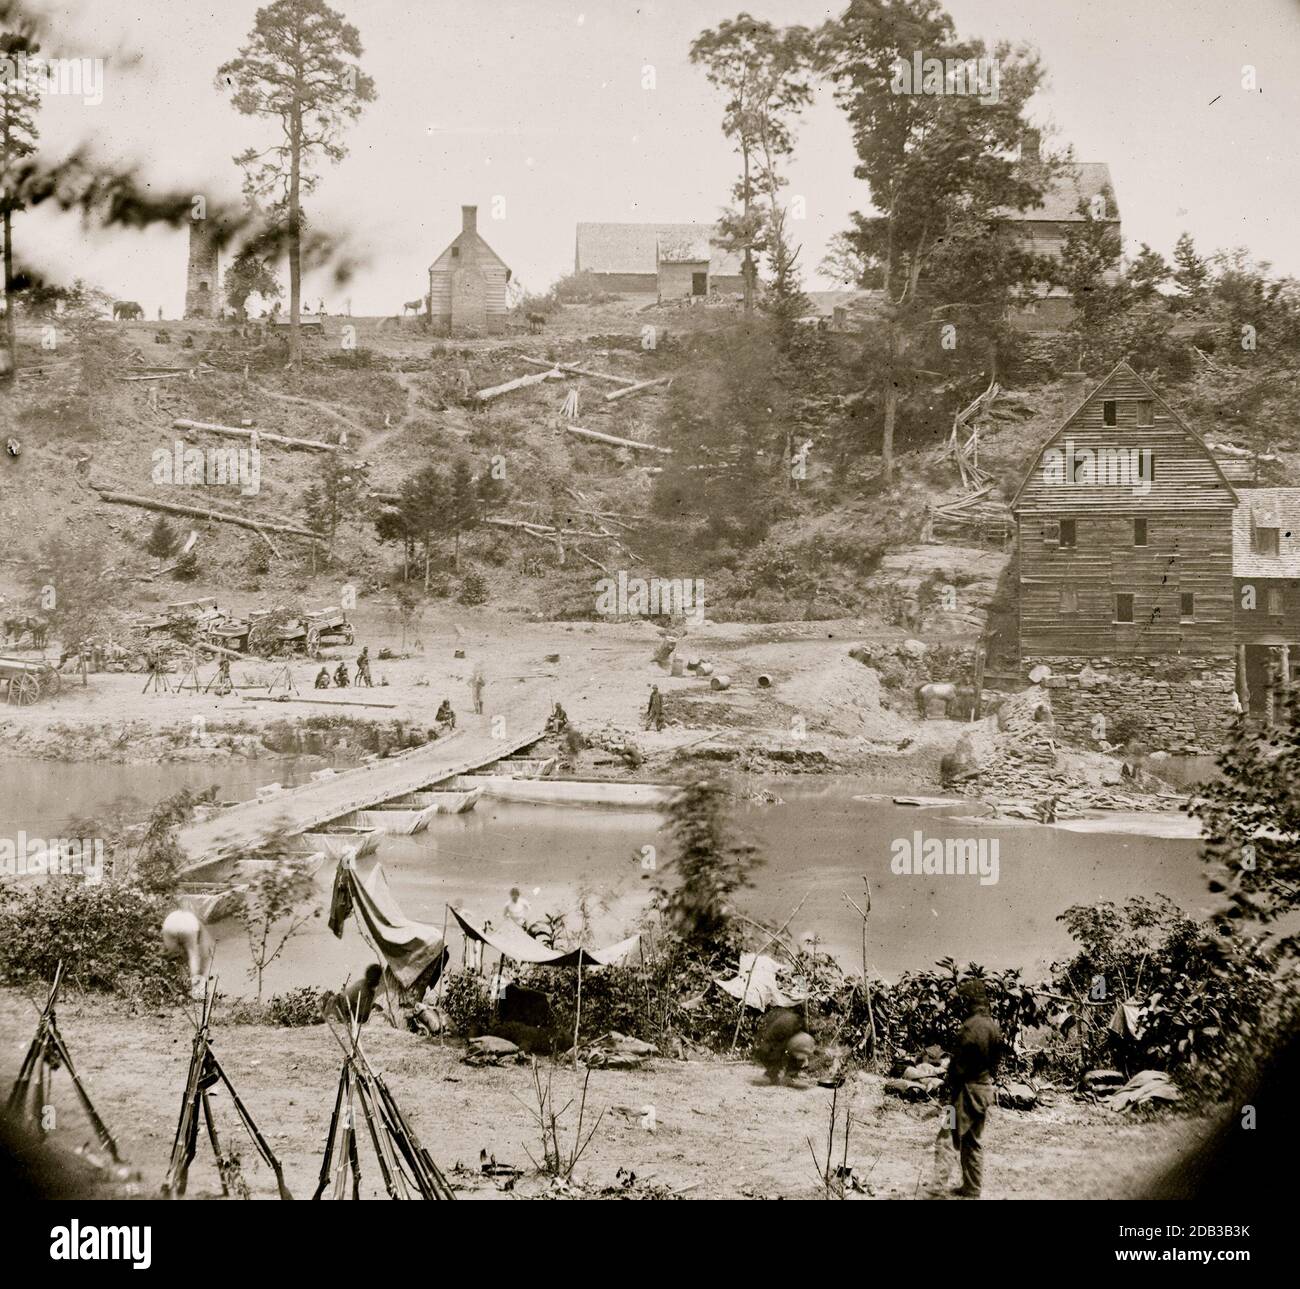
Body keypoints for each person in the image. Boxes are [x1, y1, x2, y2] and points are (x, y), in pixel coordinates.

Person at [945, 979, 1004, 1199]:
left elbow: (958, 1065)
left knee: (952, 1136)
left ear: (970, 1002)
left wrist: (950, 1082)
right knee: (973, 1140)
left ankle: (963, 1188)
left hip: (967, 1091)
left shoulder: (970, 1027)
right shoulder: (992, 1026)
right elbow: (996, 1060)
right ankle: (971, 1186)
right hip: (984, 1088)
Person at [753, 1006, 815, 1085]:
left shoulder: (793, 1021)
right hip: (775, 1044)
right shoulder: (790, 1023)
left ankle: (786, 1074)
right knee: (779, 1058)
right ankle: (780, 1075)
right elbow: (782, 1044)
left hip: (779, 1041)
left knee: (790, 1055)